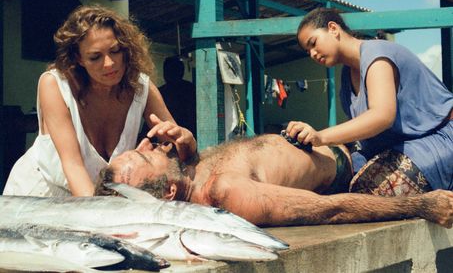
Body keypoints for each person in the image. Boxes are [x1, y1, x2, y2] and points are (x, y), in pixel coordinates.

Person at [3, 5, 196, 197]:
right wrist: (101, 219)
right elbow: (73, 165)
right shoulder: (54, 85)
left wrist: (188, 142)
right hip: (40, 195)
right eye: (95, 57)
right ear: (78, 58)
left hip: (100, 203)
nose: (109, 63)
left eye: (115, 51)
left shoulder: (140, 87)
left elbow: (177, 151)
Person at [94, 133, 453, 228]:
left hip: (356, 146)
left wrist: (186, 147)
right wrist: (421, 205)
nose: (148, 143)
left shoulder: (189, 172)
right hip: (367, 173)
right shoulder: (225, 192)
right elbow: (328, 210)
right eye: (144, 155)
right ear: (168, 191)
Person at [290, 7, 453, 196]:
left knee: (369, 190)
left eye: (313, 43)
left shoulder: (377, 55)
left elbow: (382, 116)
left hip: (441, 137)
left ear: (333, 28)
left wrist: (321, 137)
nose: (312, 54)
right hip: (399, 148)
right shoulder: (346, 75)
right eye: (308, 51)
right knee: (330, 183)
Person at [158, 56, 196, 137]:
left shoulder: (190, 90)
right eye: (167, 71)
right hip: (166, 135)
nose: (168, 74)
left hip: (187, 134)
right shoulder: (160, 92)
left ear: (181, 72)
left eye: (172, 71)